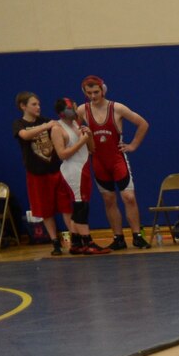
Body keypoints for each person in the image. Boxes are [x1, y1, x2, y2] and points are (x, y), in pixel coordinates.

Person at [76, 76, 149, 249]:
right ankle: (118, 238)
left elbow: (143, 124)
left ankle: (137, 236)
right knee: (109, 199)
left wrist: (133, 145)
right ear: (85, 93)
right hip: (99, 161)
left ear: (103, 90)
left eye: (96, 92)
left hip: (117, 159)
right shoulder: (82, 110)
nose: (93, 96)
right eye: (89, 93)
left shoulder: (117, 108)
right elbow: (73, 131)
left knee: (129, 197)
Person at [12, 92, 76, 254]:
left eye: (39, 104)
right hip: (36, 174)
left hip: (55, 170)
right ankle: (55, 241)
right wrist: (46, 127)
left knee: (66, 206)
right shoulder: (19, 124)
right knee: (45, 210)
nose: (38, 107)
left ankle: (75, 238)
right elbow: (25, 135)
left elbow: (62, 134)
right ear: (23, 106)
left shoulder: (47, 121)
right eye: (34, 104)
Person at [47, 97, 105, 256]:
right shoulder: (57, 129)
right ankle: (88, 242)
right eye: (72, 107)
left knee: (81, 205)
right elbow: (62, 154)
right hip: (73, 171)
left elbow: (92, 149)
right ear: (64, 112)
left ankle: (76, 243)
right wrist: (82, 141)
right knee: (81, 207)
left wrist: (90, 136)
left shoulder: (75, 124)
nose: (76, 109)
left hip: (83, 167)